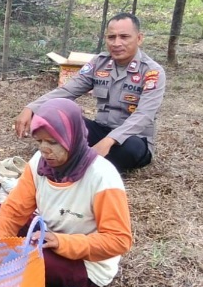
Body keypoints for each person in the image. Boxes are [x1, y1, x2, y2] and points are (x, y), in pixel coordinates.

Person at [0, 98, 133, 287]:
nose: (44, 150)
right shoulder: (39, 163)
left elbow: (119, 240)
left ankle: (22, 258)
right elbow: (14, 209)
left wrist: (61, 242)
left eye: (52, 142)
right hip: (48, 236)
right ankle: (20, 254)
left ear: (72, 138)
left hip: (85, 263)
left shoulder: (102, 176)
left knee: (27, 258)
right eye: (39, 141)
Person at [15, 12, 165, 172]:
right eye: (111, 37)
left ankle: (76, 158)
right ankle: (84, 157)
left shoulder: (152, 72)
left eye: (124, 37)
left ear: (139, 38)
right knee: (54, 116)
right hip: (100, 130)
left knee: (129, 150)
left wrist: (109, 141)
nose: (116, 43)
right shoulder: (99, 63)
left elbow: (144, 115)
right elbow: (67, 90)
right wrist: (31, 108)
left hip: (132, 138)